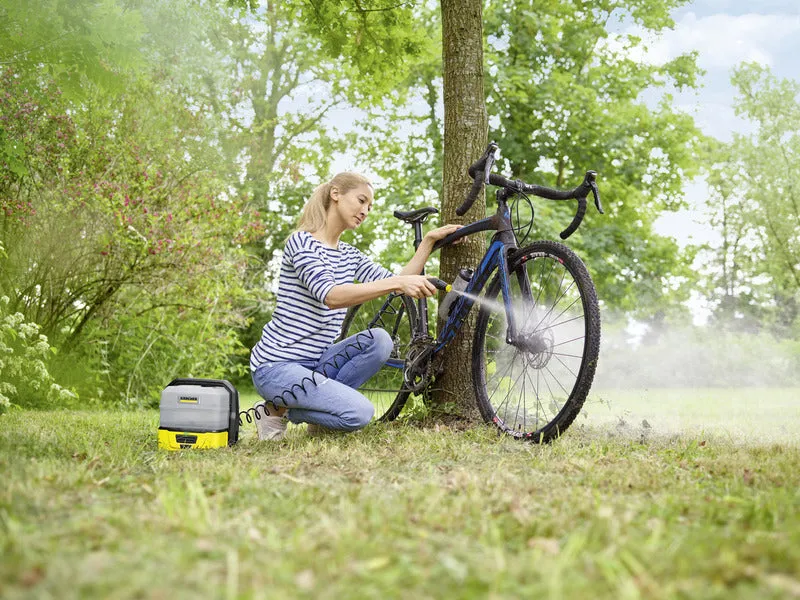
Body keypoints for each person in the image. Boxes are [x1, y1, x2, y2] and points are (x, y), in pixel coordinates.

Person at [250, 172, 461, 440]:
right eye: (361, 201)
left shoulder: (350, 255)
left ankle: (306, 408)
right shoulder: (302, 243)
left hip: (318, 365)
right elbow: (331, 295)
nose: (365, 211)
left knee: (380, 341)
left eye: (370, 207)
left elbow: (396, 281)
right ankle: (276, 409)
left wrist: (428, 242)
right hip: (277, 366)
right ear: (335, 194)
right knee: (360, 414)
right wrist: (399, 284)